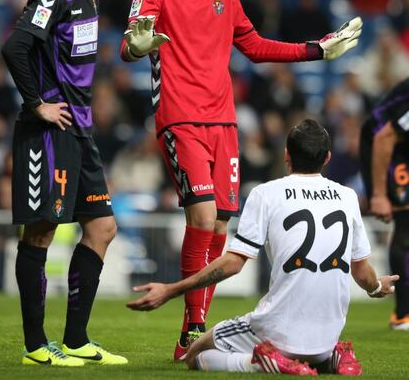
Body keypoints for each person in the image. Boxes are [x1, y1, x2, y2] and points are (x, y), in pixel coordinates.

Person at [119, 0, 363, 360]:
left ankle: (192, 330)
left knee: (219, 225)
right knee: (202, 215)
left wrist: (317, 50)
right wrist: (138, 44)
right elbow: (130, 43)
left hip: (224, 123)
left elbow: (254, 45)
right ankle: (193, 329)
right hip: (181, 120)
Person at [127, 119, 398, 375]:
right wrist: (377, 288)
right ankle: (328, 360)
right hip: (327, 338)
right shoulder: (348, 197)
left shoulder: (266, 193)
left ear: (286, 155)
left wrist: (171, 290)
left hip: (277, 330)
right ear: (327, 158)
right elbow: (362, 273)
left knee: (195, 355)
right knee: (309, 345)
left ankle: (261, 363)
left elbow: (233, 263)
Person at [1, 0, 127, 366]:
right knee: (41, 233)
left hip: (80, 127)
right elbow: (14, 48)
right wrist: (37, 104)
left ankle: (76, 339)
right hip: (47, 130)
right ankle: (36, 346)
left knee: (102, 228)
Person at [360, 77, 409, 330]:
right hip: (387, 146)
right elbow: (383, 137)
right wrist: (378, 195)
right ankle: (403, 316)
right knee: (406, 227)